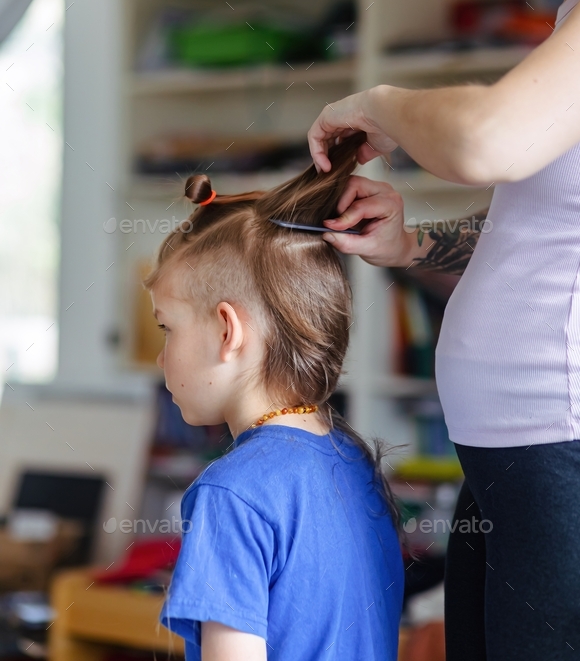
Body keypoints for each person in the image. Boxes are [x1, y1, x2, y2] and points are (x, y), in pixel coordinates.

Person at [306, 0, 580, 659]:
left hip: (563, 454)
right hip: (517, 453)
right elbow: (548, 215)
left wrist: (383, 99)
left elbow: (490, 139)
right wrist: (416, 240)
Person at [146, 131, 404, 661]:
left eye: (166, 328)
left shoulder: (231, 492)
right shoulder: (353, 461)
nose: (160, 357)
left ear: (226, 331)